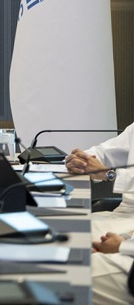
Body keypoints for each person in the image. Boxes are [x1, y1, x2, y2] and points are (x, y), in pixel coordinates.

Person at [65, 126, 134, 304]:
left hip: (129, 225)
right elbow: (103, 153)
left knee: (68, 271)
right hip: (124, 213)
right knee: (60, 235)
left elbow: (107, 170)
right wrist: (81, 161)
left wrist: (109, 174)